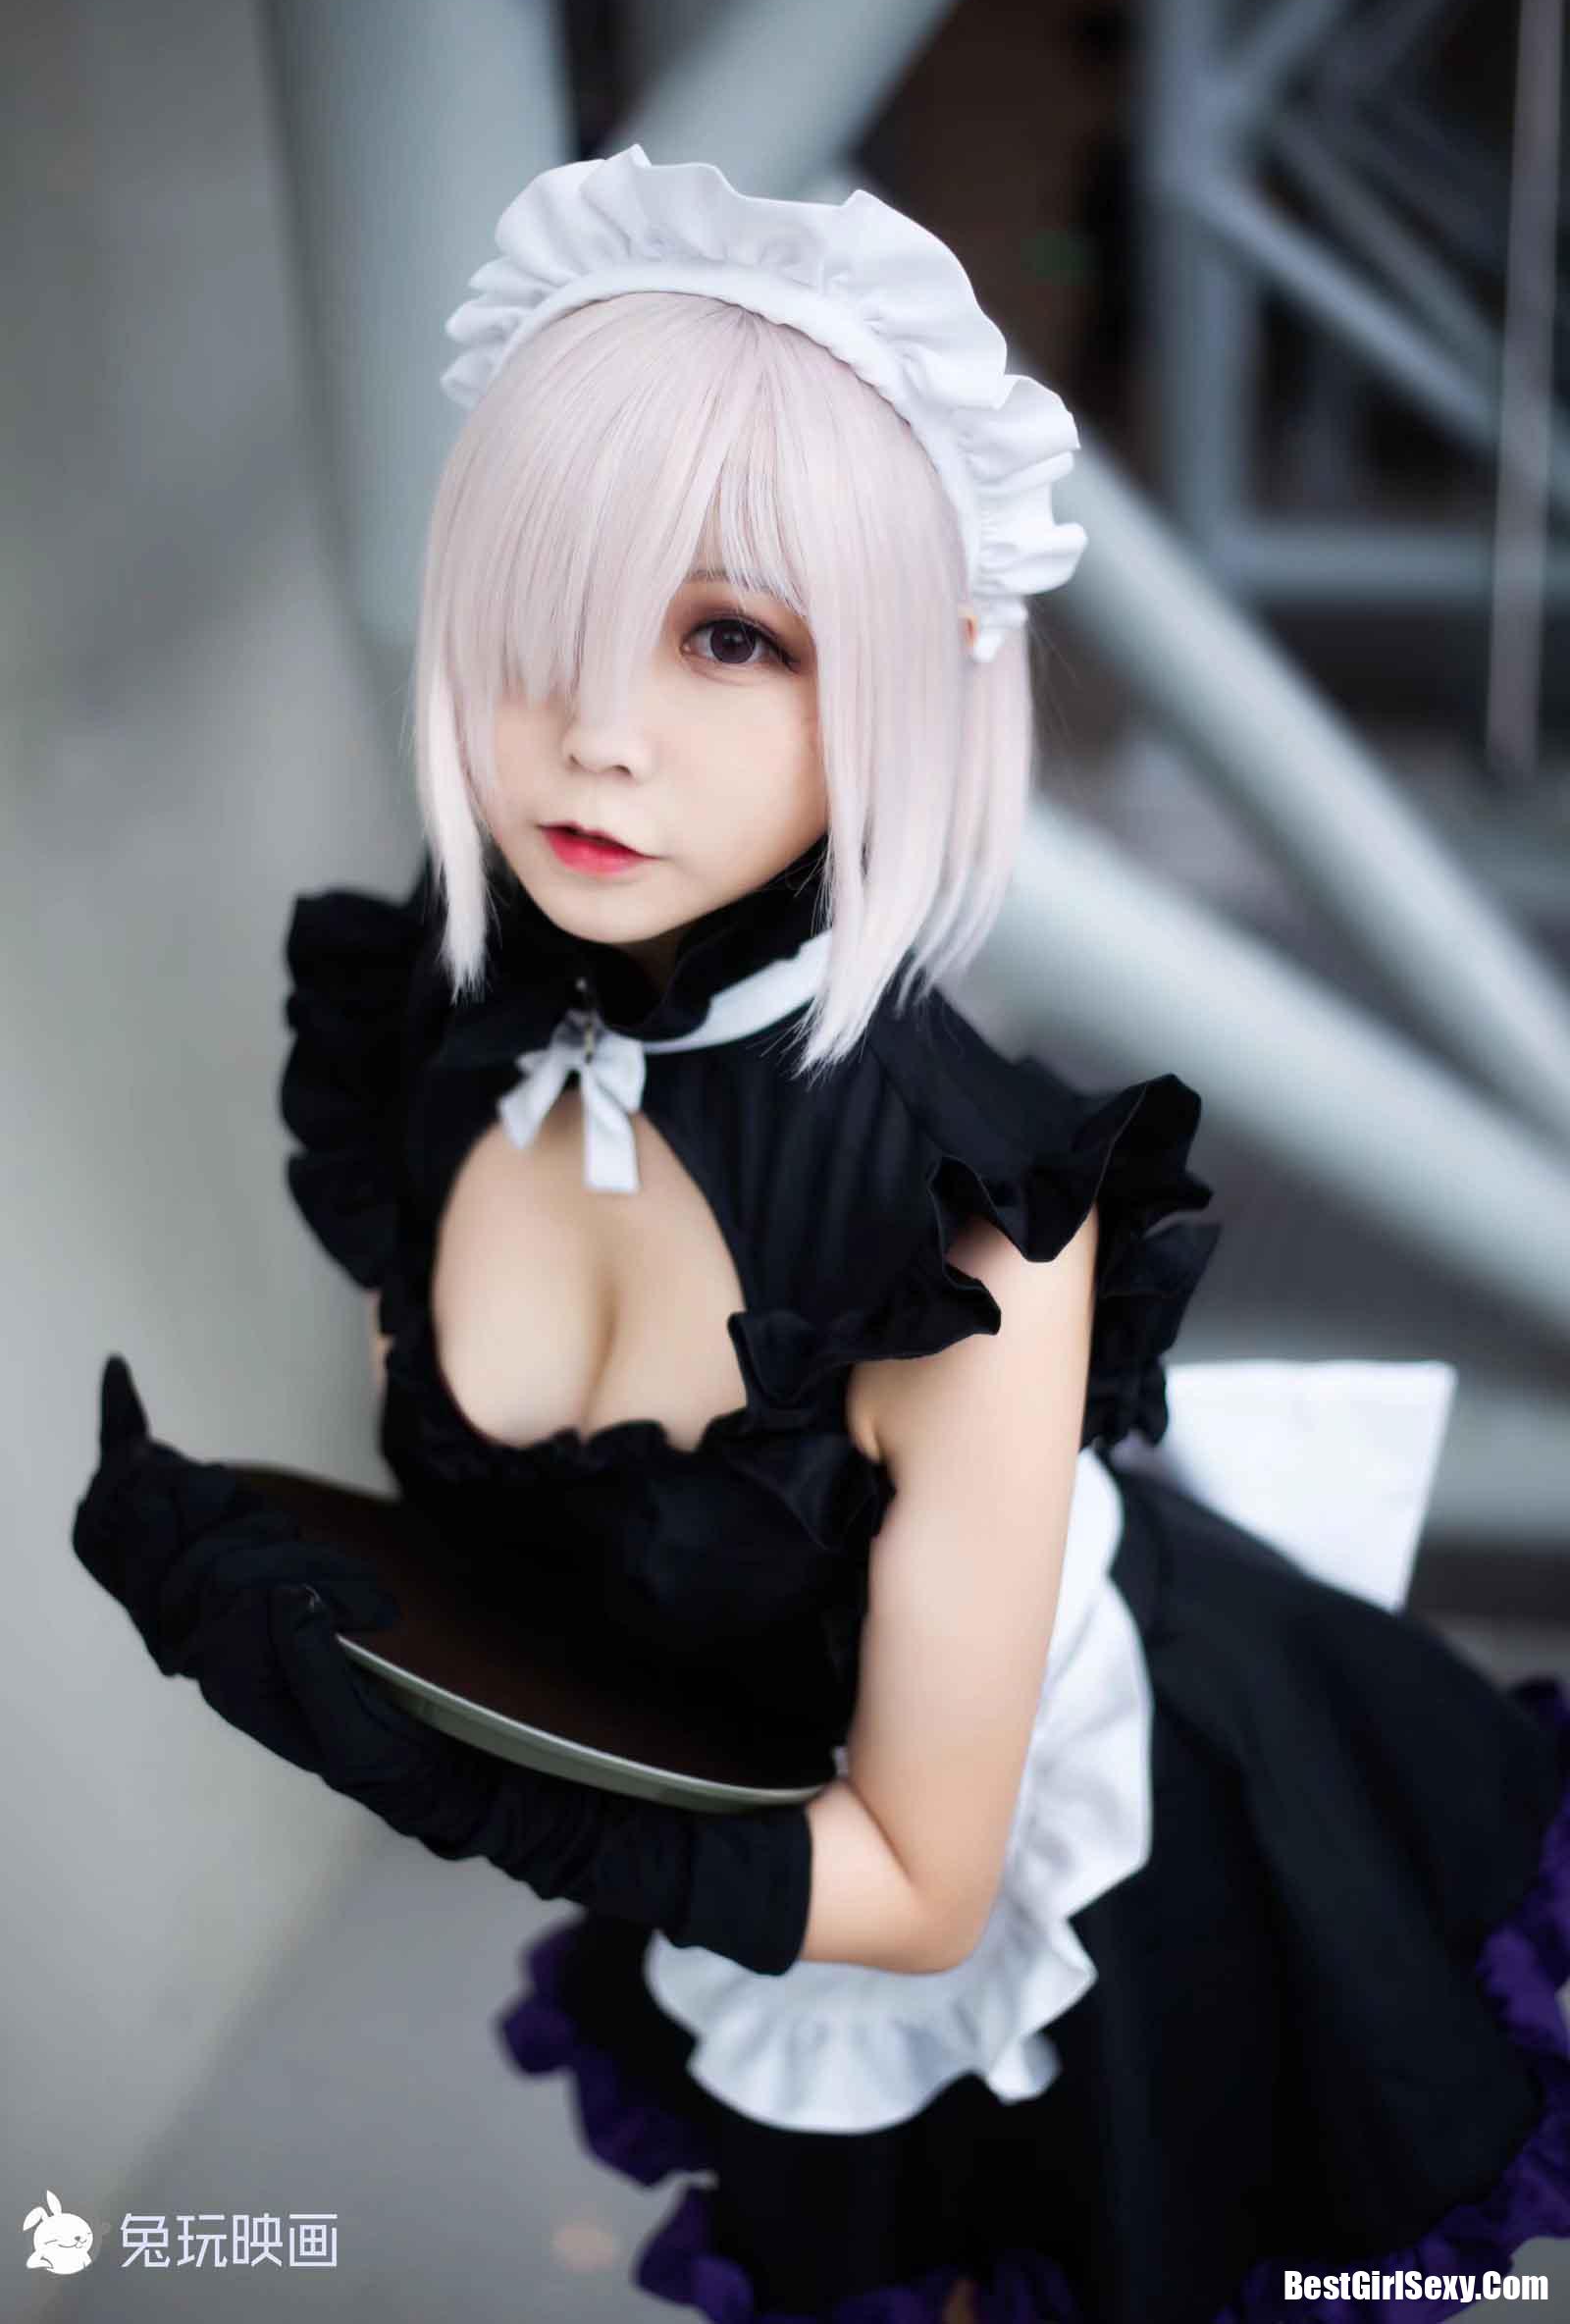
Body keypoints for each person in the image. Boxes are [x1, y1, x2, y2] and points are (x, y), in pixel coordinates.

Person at [73, 149, 1570, 2324]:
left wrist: (412, 1747)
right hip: (743, 1821)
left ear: (901, 675)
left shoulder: (965, 1226)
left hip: (1098, 1911)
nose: (596, 728)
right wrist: (335, 1602)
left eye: (729, 636)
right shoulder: (439, 1021)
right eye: (543, 614)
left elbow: (923, 1881)